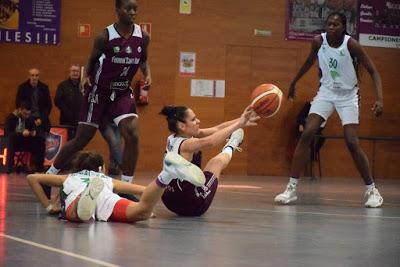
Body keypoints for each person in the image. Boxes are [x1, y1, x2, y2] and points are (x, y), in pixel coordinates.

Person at [274, 12, 384, 208]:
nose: (331, 27)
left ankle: (372, 190)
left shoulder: (351, 45)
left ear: (343, 26)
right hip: (326, 92)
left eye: (335, 24)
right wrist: (293, 82)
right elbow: (309, 61)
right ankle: (291, 188)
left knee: (351, 141)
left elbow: (373, 71)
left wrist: (380, 99)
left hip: (348, 95)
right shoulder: (318, 41)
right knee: (307, 132)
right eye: (329, 24)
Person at [46, 0, 151, 186]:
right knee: (82, 138)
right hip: (99, 91)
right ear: (118, 10)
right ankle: (49, 175)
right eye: (129, 9)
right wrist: (86, 76)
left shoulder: (142, 36)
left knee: (132, 133)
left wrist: (148, 74)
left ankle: (126, 185)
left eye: (136, 9)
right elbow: (92, 59)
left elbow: (143, 61)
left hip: (122, 92)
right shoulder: (104, 36)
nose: (133, 12)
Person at [27, 150, 205, 223]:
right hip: (107, 199)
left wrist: (49, 205)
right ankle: (166, 175)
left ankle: (83, 204)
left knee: (75, 215)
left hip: (78, 194)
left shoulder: (71, 177)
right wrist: (157, 203)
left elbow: (32, 178)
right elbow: (142, 190)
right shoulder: (104, 178)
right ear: (101, 168)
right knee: (141, 211)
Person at [159, 105, 260, 216]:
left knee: (202, 171)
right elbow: (210, 142)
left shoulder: (173, 138)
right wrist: (239, 124)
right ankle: (232, 144)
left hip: (169, 199)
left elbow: (217, 129)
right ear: (182, 126)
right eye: (193, 119)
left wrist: (242, 119)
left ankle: (232, 143)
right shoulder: (186, 144)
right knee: (216, 163)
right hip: (192, 204)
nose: (198, 121)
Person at [4, 102, 45, 173]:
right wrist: (20, 133)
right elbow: (7, 133)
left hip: (26, 141)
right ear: (20, 110)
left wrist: (34, 133)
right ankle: (9, 167)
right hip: (14, 141)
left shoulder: (29, 118)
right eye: (24, 114)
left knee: (40, 141)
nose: (26, 116)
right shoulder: (11, 118)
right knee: (10, 141)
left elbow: (34, 129)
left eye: (28, 114)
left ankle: (38, 167)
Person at [16, 68, 52, 139]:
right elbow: (18, 104)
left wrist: (41, 119)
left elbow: (48, 106)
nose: (34, 77)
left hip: (41, 121)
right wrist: (26, 117)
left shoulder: (44, 88)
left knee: (41, 143)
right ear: (29, 76)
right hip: (26, 120)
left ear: (39, 76)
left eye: (36, 75)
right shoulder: (22, 88)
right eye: (32, 75)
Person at [54, 64, 82, 140]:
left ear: (79, 73)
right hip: (65, 120)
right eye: (73, 71)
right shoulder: (62, 85)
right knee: (66, 142)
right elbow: (57, 100)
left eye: (77, 71)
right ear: (69, 72)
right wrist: (66, 111)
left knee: (79, 142)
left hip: (79, 121)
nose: (75, 73)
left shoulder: (83, 85)